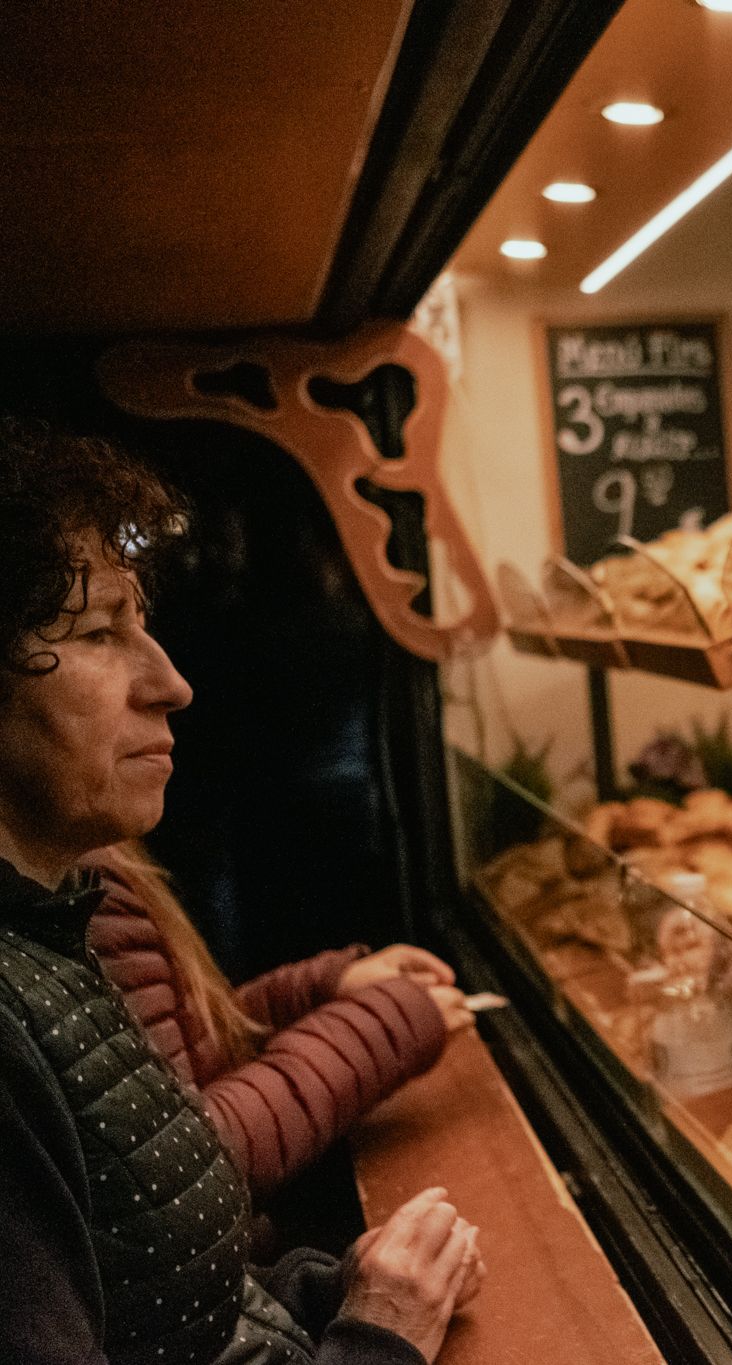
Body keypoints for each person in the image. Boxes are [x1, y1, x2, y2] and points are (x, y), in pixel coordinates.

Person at [0, 416, 480, 1364]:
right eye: (100, 632)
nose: (171, 683)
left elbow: (158, 1289)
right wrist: (377, 1336)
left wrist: (326, 1289)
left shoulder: (50, 929)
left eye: (145, 626)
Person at [85, 840, 471, 1200]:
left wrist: (321, 986)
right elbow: (190, 1156)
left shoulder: (101, 856)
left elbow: (191, 1045)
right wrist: (391, 1023)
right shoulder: (87, 883)